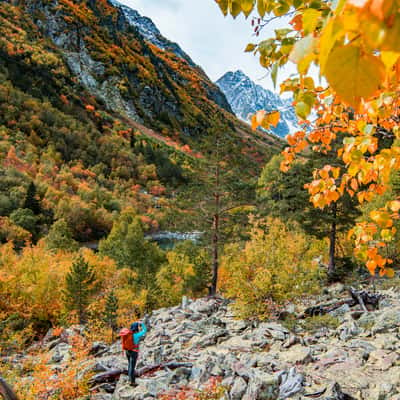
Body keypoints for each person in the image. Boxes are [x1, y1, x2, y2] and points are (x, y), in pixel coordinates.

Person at [121, 321, 147, 386]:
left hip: (127, 351)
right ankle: (132, 382)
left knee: (130, 365)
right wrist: (142, 324)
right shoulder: (136, 335)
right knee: (132, 367)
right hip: (134, 352)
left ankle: (130, 379)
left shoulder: (128, 334)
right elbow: (145, 330)